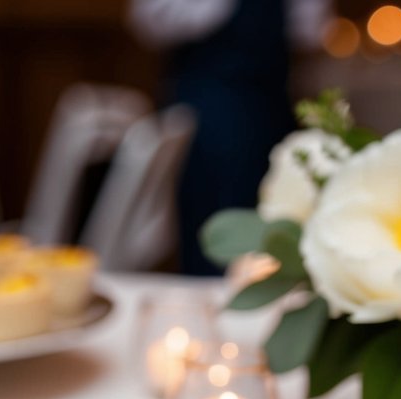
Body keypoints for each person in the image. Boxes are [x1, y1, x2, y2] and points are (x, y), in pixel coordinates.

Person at [129, 0, 305, 276]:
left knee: (273, 219)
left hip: (273, 101)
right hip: (211, 100)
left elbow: (309, 29)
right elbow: (150, 21)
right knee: (211, 226)